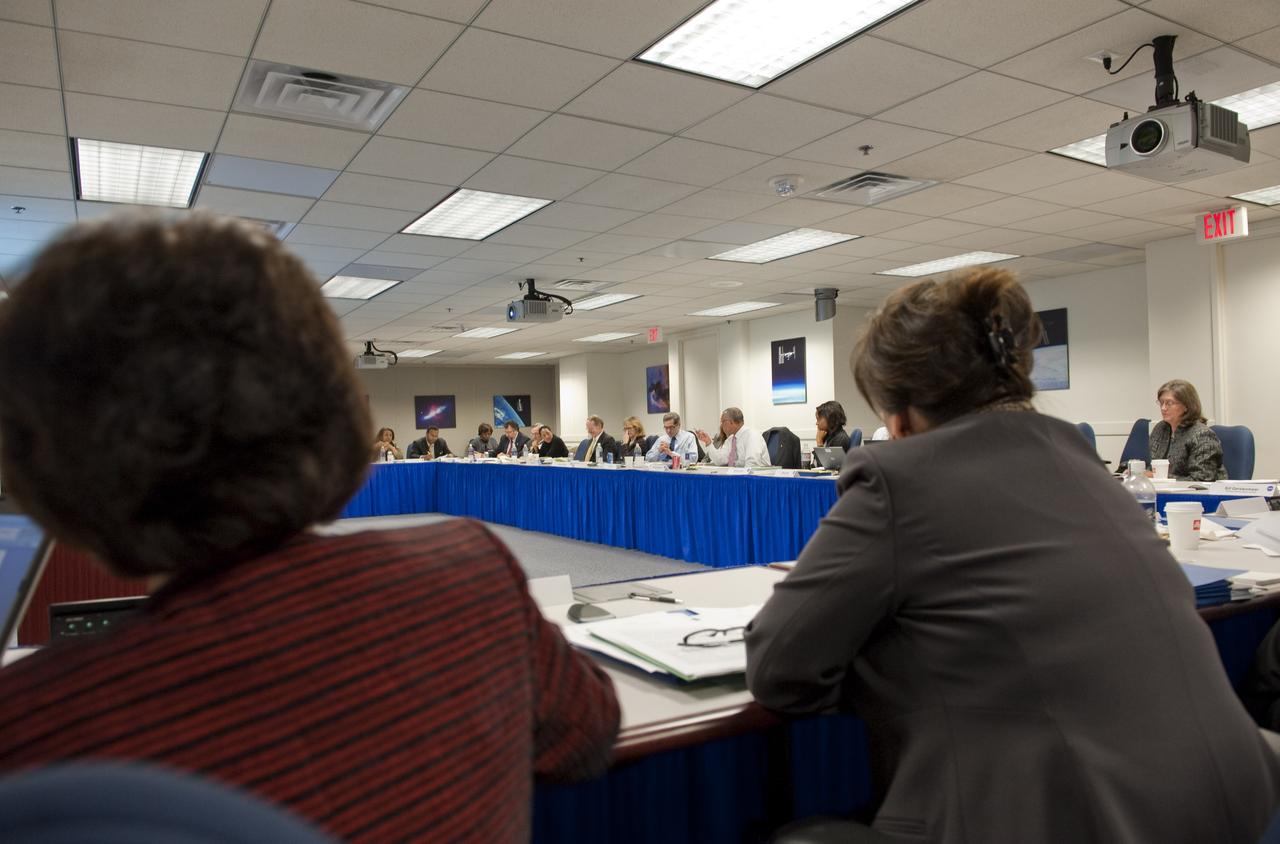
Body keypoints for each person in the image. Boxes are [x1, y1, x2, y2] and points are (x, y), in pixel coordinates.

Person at [0, 214, 620, 843]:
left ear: (43, 465)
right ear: (335, 407)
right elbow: (587, 736)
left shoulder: (30, 728)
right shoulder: (471, 570)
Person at [744, 267, 1279, 843]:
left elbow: (779, 668)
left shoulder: (896, 475)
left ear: (899, 416)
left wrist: (894, 664)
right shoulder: (1080, 458)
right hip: (1232, 803)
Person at [1149, 379, 1227, 481]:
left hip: (1198, 495)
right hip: (1163, 492)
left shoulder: (1202, 435)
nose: (1163, 408)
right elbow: (1153, 468)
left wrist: (1160, 478)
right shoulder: (1161, 429)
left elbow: (1202, 479)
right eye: (1161, 402)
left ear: (1186, 406)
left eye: (1169, 403)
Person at [694, 407, 769, 468]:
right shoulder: (731, 439)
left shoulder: (752, 436)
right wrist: (708, 442)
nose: (721, 425)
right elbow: (719, 460)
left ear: (731, 422)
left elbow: (752, 465)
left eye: (722, 422)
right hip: (737, 478)